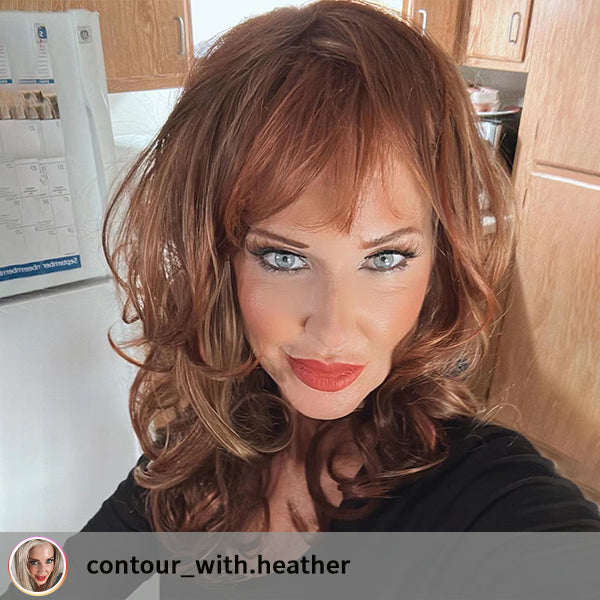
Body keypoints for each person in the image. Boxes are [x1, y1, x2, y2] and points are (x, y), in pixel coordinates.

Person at [85, 0, 600, 532]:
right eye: (284, 258)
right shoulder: (190, 458)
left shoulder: (486, 489)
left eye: (385, 258)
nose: (332, 331)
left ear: (440, 259)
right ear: (219, 261)